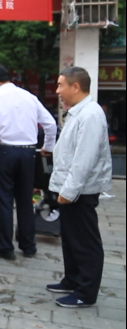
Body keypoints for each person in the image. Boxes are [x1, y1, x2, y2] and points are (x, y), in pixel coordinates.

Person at [0, 64, 56, 260]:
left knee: (4, 200)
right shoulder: (29, 97)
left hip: (4, 151)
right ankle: (28, 246)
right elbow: (50, 124)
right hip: (28, 152)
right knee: (25, 200)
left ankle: (6, 248)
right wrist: (48, 147)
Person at [47, 67, 111, 308]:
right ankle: (72, 279)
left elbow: (84, 159)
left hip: (80, 191)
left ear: (75, 87)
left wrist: (69, 191)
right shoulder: (77, 112)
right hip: (69, 188)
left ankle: (85, 292)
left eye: (60, 85)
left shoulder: (91, 115)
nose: (57, 90)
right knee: (71, 238)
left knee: (85, 241)